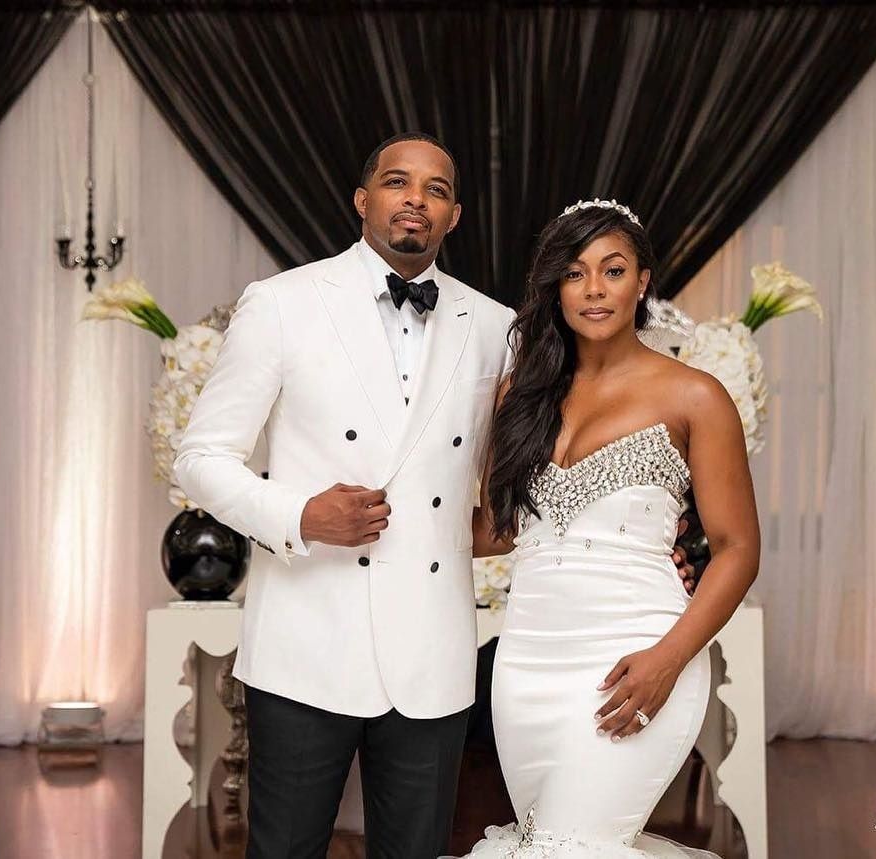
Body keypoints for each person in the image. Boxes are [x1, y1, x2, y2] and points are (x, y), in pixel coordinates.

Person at [173, 132, 518, 859]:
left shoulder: (495, 327)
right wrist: (300, 515)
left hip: (431, 650)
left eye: (436, 189)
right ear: (363, 200)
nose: (416, 199)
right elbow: (201, 458)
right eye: (397, 182)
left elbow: (509, 483)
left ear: (454, 215)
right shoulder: (282, 303)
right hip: (306, 640)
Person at [459, 200, 761, 856]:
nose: (594, 288)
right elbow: (501, 531)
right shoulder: (519, 396)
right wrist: (389, 514)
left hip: (638, 657)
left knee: (571, 843)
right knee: (542, 844)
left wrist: (668, 661)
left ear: (642, 281)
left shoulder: (695, 395)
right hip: (526, 667)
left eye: (613, 270)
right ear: (555, 287)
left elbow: (738, 549)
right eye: (575, 273)